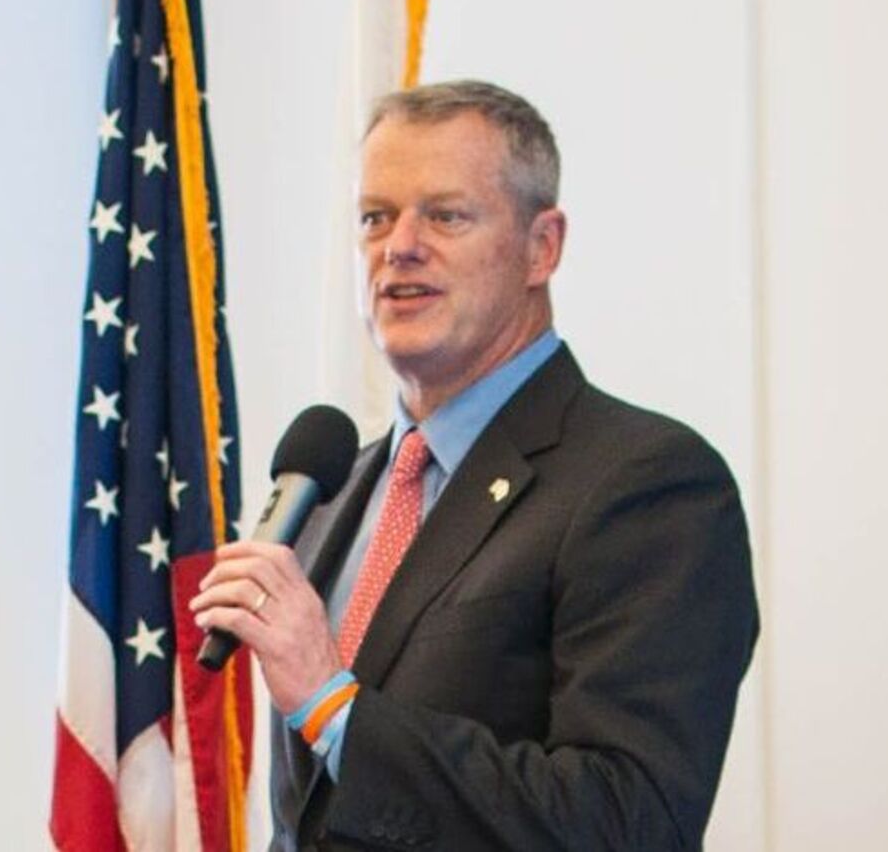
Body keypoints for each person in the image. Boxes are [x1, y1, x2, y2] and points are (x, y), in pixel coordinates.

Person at [191, 80, 759, 851]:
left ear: (542, 247)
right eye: (375, 217)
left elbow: (630, 820)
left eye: (445, 215)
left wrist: (332, 706)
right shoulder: (330, 490)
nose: (399, 246)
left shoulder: (646, 484)